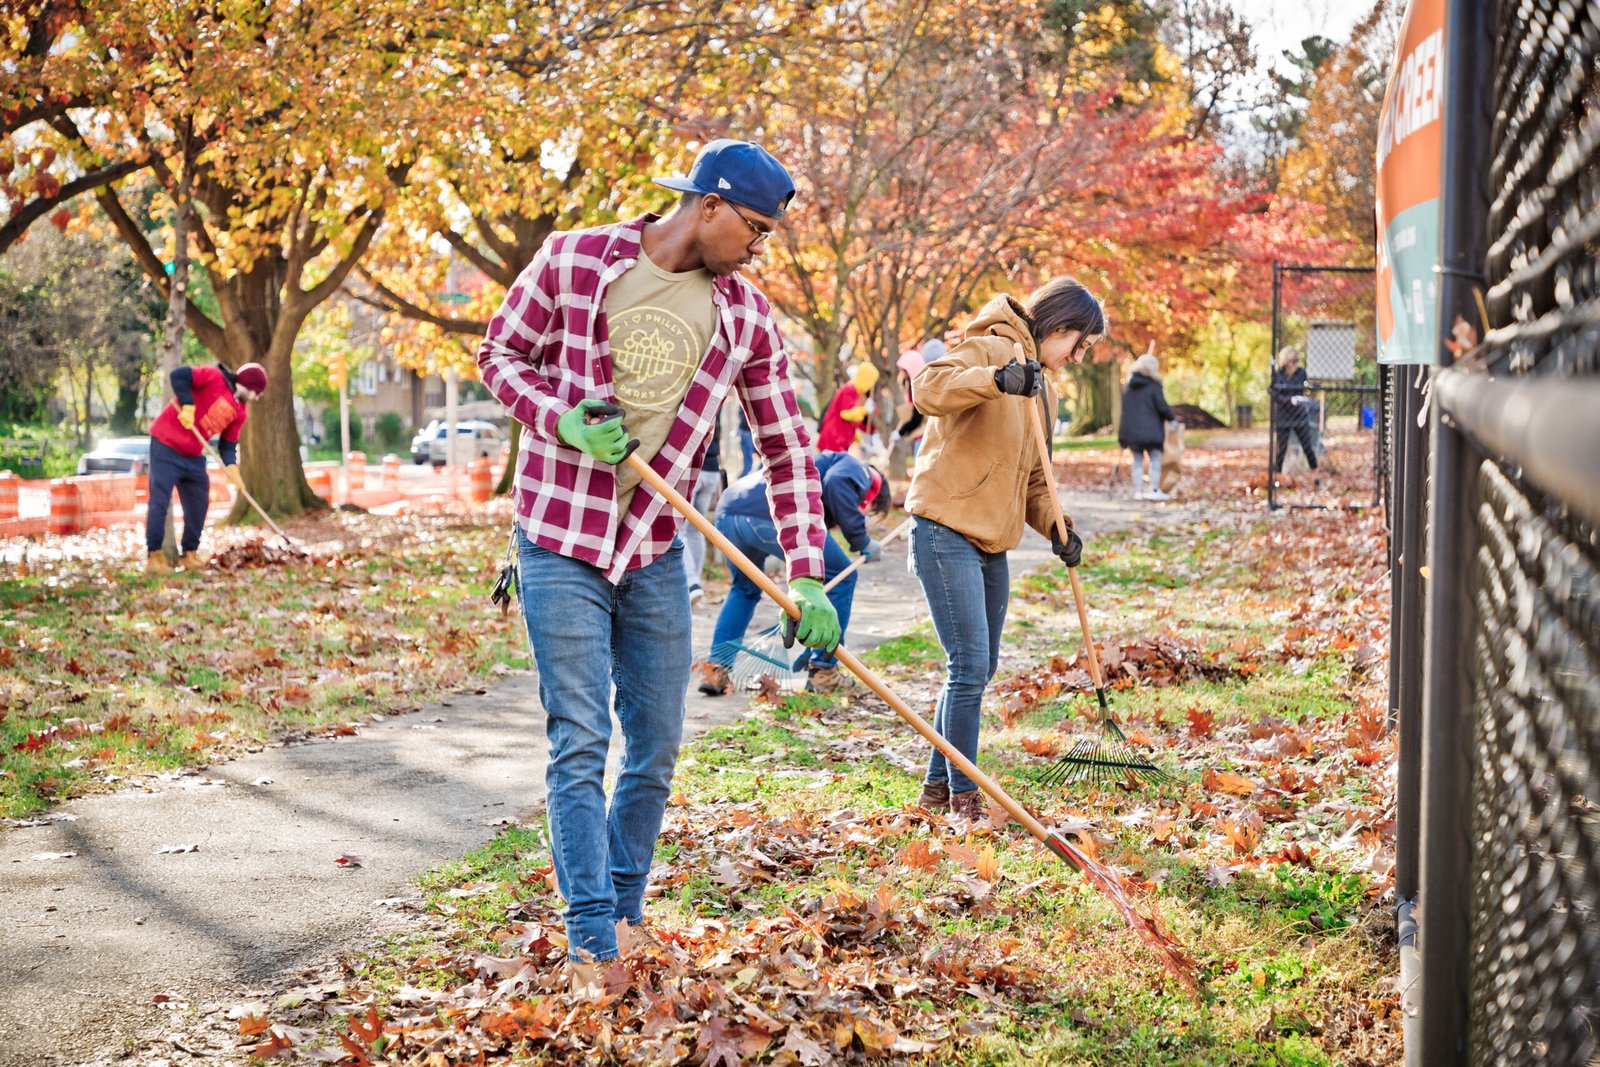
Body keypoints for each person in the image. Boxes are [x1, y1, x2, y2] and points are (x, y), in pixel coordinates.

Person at [475, 139, 841, 991]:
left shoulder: (745, 317)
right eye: (754, 227)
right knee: (579, 740)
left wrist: (808, 568)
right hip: (558, 534)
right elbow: (498, 355)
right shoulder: (574, 257)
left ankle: (627, 907)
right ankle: (593, 940)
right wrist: (561, 418)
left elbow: (786, 451)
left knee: (657, 744)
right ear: (707, 205)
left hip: (653, 546)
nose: (759, 246)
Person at [905, 277, 1103, 823]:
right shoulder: (990, 347)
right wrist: (997, 380)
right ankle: (966, 796)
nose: (1077, 357)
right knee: (967, 664)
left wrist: (1056, 526)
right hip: (945, 526)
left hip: (992, 537)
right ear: (1058, 326)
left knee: (979, 666)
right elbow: (928, 388)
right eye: (1078, 344)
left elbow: (1037, 482)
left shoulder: (1047, 392)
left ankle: (936, 788)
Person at [701, 452, 890, 695]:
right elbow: (837, 482)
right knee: (843, 576)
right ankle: (824, 670)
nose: (866, 515)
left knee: (744, 590)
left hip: (729, 513)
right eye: (871, 512)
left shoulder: (821, 465)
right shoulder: (861, 471)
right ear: (873, 498)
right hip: (769, 510)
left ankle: (716, 667)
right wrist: (861, 539)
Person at [143, 362, 267, 573]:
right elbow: (178, 375)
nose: (257, 398)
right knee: (160, 500)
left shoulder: (240, 412)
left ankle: (189, 553)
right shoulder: (213, 376)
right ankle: (154, 557)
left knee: (199, 501)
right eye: (258, 393)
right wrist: (188, 405)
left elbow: (227, 445)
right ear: (250, 385)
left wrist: (232, 469)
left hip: (192, 454)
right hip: (166, 444)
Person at [1117, 348, 1176, 500]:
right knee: (1155, 459)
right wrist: (1171, 419)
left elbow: (1125, 411)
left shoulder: (1128, 386)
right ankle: (1154, 491)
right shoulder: (1154, 386)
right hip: (1152, 431)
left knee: (1137, 461)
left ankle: (1138, 492)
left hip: (1132, 432)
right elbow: (1162, 406)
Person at [1270, 344, 1320, 483]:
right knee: (1281, 449)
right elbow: (1274, 394)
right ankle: (1277, 478)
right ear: (1286, 361)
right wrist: (1289, 400)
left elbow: (1303, 391)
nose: (1295, 364)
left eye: (1296, 361)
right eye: (1292, 361)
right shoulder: (1278, 375)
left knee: (1307, 447)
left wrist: (1300, 398)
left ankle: (1316, 476)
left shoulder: (1301, 373)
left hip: (1299, 415)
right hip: (1283, 416)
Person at [815, 362, 879, 452]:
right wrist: (865, 409)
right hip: (834, 438)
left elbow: (852, 421)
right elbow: (846, 414)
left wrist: (859, 440)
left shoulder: (855, 392)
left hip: (839, 438)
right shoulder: (850, 390)